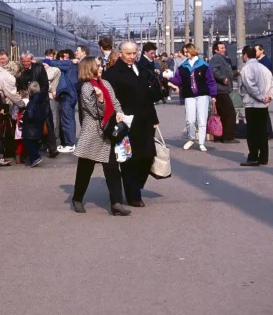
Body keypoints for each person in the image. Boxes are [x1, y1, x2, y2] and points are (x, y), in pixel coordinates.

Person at [71, 57, 130, 216]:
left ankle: (116, 203)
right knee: (85, 169)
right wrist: (100, 99)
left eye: (101, 65)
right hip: (93, 132)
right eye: (98, 66)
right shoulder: (86, 87)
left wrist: (119, 113)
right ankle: (77, 198)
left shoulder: (106, 83)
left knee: (112, 169)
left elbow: (115, 102)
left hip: (109, 131)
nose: (101, 68)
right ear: (89, 68)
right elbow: (96, 112)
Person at [104, 41, 160, 208]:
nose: (132, 56)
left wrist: (154, 118)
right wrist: (116, 117)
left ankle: (136, 185)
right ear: (120, 53)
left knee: (148, 155)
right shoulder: (112, 73)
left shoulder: (141, 69)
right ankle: (133, 194)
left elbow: (149, 97)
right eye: (128, 53)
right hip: (127, 121)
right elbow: (111, 99)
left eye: (134, 53)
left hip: (145, 119)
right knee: (130, 159)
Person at [167, 43, 217, 152]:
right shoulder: (182, 66)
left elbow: (210, 81)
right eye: (184, 52)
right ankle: (191, 138)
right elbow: (178, 81)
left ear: (192, 51)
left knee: (202, 120)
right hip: (189, 95)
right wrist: (169, 78)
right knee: (190, 120)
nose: (185, 54)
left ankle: (201, 142)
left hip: (203, 95)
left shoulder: (203, 65)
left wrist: (213, 95)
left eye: (187, 51)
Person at [239, 45, 273, 167]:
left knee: (252, 132)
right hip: (263, 106)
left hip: (252, 104)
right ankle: (264, 157)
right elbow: (272, 86)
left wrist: (261, 98)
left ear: (245, 55)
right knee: (262, 132)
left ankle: (253, 157)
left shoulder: (247, 69)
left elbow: (250, 87)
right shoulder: (264, 68)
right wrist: (268, 97)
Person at [18, 51, 58, 158]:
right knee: (30, 124)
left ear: (31, 60)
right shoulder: (20, 70)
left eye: (27, 61)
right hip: (27, 100)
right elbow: (19, 85)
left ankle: (52, 148)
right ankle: (31, 150)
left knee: (48, 123)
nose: (25, 63)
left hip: (41, 99)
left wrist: (38, 97)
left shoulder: (39, 68)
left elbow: (45, 85)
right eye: (23, 61)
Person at [48, 49, 79, 153]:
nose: (63, 60)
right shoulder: (68, 65)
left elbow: (50, 62)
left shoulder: (69, 65)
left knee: (67, 120)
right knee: (67, 119)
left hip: (68, 95)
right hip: (68, 95)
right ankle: (68, 142)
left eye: (65, 57)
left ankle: (70, 143)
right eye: (61, 57)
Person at [209, 41, 239, 143]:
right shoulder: (216, 58)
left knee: (222, 114)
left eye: (224, 47)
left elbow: (225, 72)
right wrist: (223, 79)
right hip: (221, 89)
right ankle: (228, 137)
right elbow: (213, 70)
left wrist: (235, 73)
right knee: (231, 113)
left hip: (221, 89)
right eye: (221, 48)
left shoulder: (222, 59)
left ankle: (220, 136)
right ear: (216, 50)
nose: (224, 49)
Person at [21, 82, 48, 167]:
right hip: (38, 124)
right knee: (35, 142)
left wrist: (23, 118)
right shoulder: (42, 98)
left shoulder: (33, 100)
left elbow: (30, 114)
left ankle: (35, 157)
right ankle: (34, 159)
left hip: (30, 126)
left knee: (28, 142)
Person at [42, 49, 63, 149]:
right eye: (47, 55)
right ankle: (46, 142)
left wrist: (48, 87)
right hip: (43, 97)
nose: (48, 58)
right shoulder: (40, 69)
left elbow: (53, 85)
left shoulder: (55, 70)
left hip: (51, 97)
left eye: (51, 56)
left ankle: (55, 141)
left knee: (54, 119)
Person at [255, 44, 273, 140]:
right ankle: (267, 132)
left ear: (262, 51)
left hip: (263, 90)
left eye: (256, 50)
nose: (255, 52)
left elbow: (266, 77)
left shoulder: (265, 62)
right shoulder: (259, 61)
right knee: (263, 112)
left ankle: (267, 133)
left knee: (263, 112)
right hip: (261, 89)